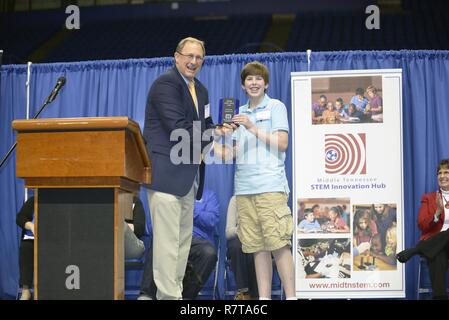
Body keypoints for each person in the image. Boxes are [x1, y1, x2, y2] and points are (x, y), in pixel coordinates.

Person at [142, 37, 216, 300]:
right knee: (167, 244)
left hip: (190, 177)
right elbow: (179, 129)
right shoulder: (166, 84)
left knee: (182, 245)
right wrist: (214, 133)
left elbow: (206, 124)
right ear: (176, 56)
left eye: (199, 58)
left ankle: (171, 295)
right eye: (189, 56)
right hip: (165, 177)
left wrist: (217, 130)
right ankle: (170, 297)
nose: (193, 62)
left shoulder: (203, 91)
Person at [217, 61, 295, 300]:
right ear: (243, 85)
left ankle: (291, 297)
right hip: (244, 190)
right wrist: (217, 138)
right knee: (257, 248)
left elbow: (282, 143)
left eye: (258, 79)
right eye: (249, 79)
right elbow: (230, 155)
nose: (254, 83)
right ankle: (264, 299)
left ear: (266, 83)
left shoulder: (276, 107)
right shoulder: (237, 114)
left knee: (279, 244)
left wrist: (251, 127)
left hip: (270, 187)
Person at [16, 195, 145, 300]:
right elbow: (20, 217)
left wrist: (117, 226)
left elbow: (139, 229)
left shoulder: (135, 202)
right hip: (104, 244)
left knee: (115, 222)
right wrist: (32, 227)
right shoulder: (36, 199)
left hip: (130, 245)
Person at [139, 189, 219, 300]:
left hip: (198, 240)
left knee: (209, 253)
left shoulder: (208, 195)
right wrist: (194, 212)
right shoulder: (165, 194)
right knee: (159, 241)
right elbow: (151, 226)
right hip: (170, 235)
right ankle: (146, 294)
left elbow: (211, 220)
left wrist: (188, 208)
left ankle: (186, 296)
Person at [397, 159, 449, 299]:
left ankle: (417, 249)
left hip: (431, 245)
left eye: (446, 172)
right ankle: (440, 297)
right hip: (436, 245)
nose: (442, 176)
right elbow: (421, 225)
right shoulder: (429, 198)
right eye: (440, 173)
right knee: (437, 253)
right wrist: (437, 213)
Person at [225, 195, 258, 300]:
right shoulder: (235, 200)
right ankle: (244, 292)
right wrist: (243, 229)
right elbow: (228, 232)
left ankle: (256, 295)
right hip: (240, 238)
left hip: (260, 239)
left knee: (255, 250)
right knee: (236, 246)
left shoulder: (264, 198)